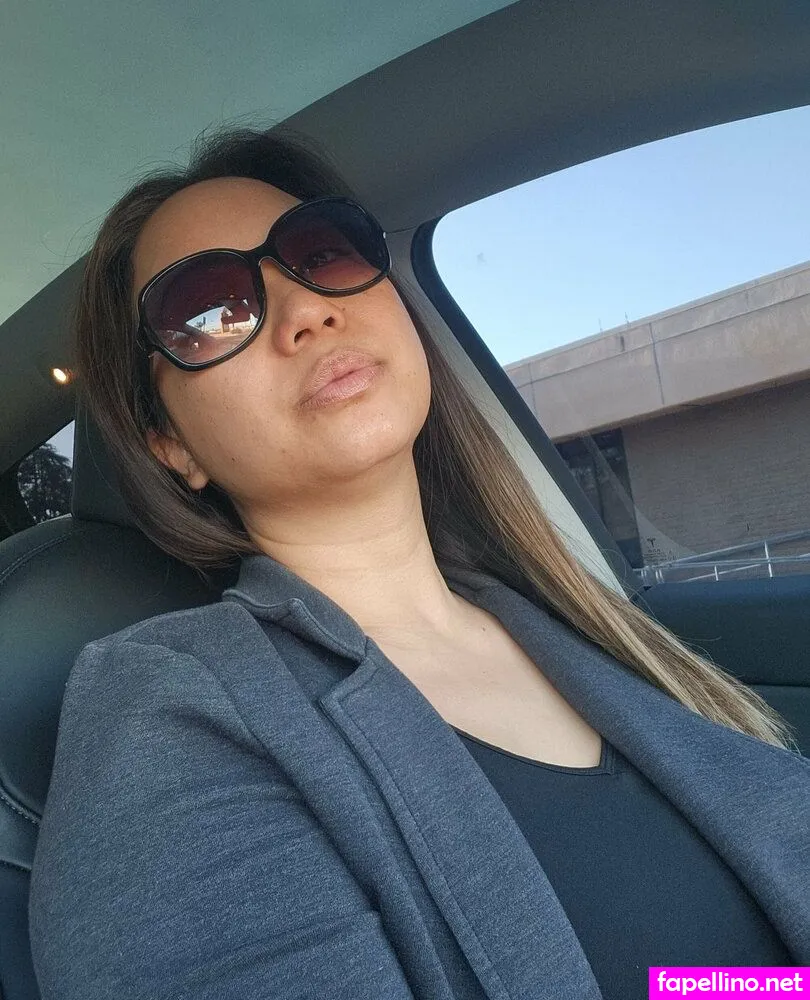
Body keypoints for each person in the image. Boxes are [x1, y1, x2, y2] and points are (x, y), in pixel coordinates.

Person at [28, 126, 809, 1000]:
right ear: (170, 443)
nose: (306, 310)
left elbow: (712, 981)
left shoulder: (568, 618)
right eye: (209, 310)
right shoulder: (165, 709)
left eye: (321, 254)